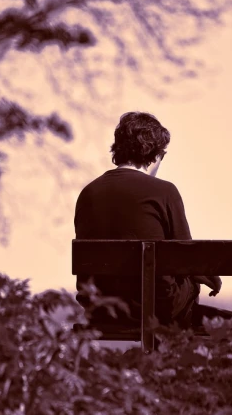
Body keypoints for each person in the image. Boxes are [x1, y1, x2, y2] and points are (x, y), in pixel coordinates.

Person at [74, 111, 223, 329]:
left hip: (101, 309)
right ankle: (175, 350)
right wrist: (206, 276)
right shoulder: (164, 191)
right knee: (190, 283)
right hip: (155, 308)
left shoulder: (88, 193)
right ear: (155, 154)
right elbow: (187, 256)